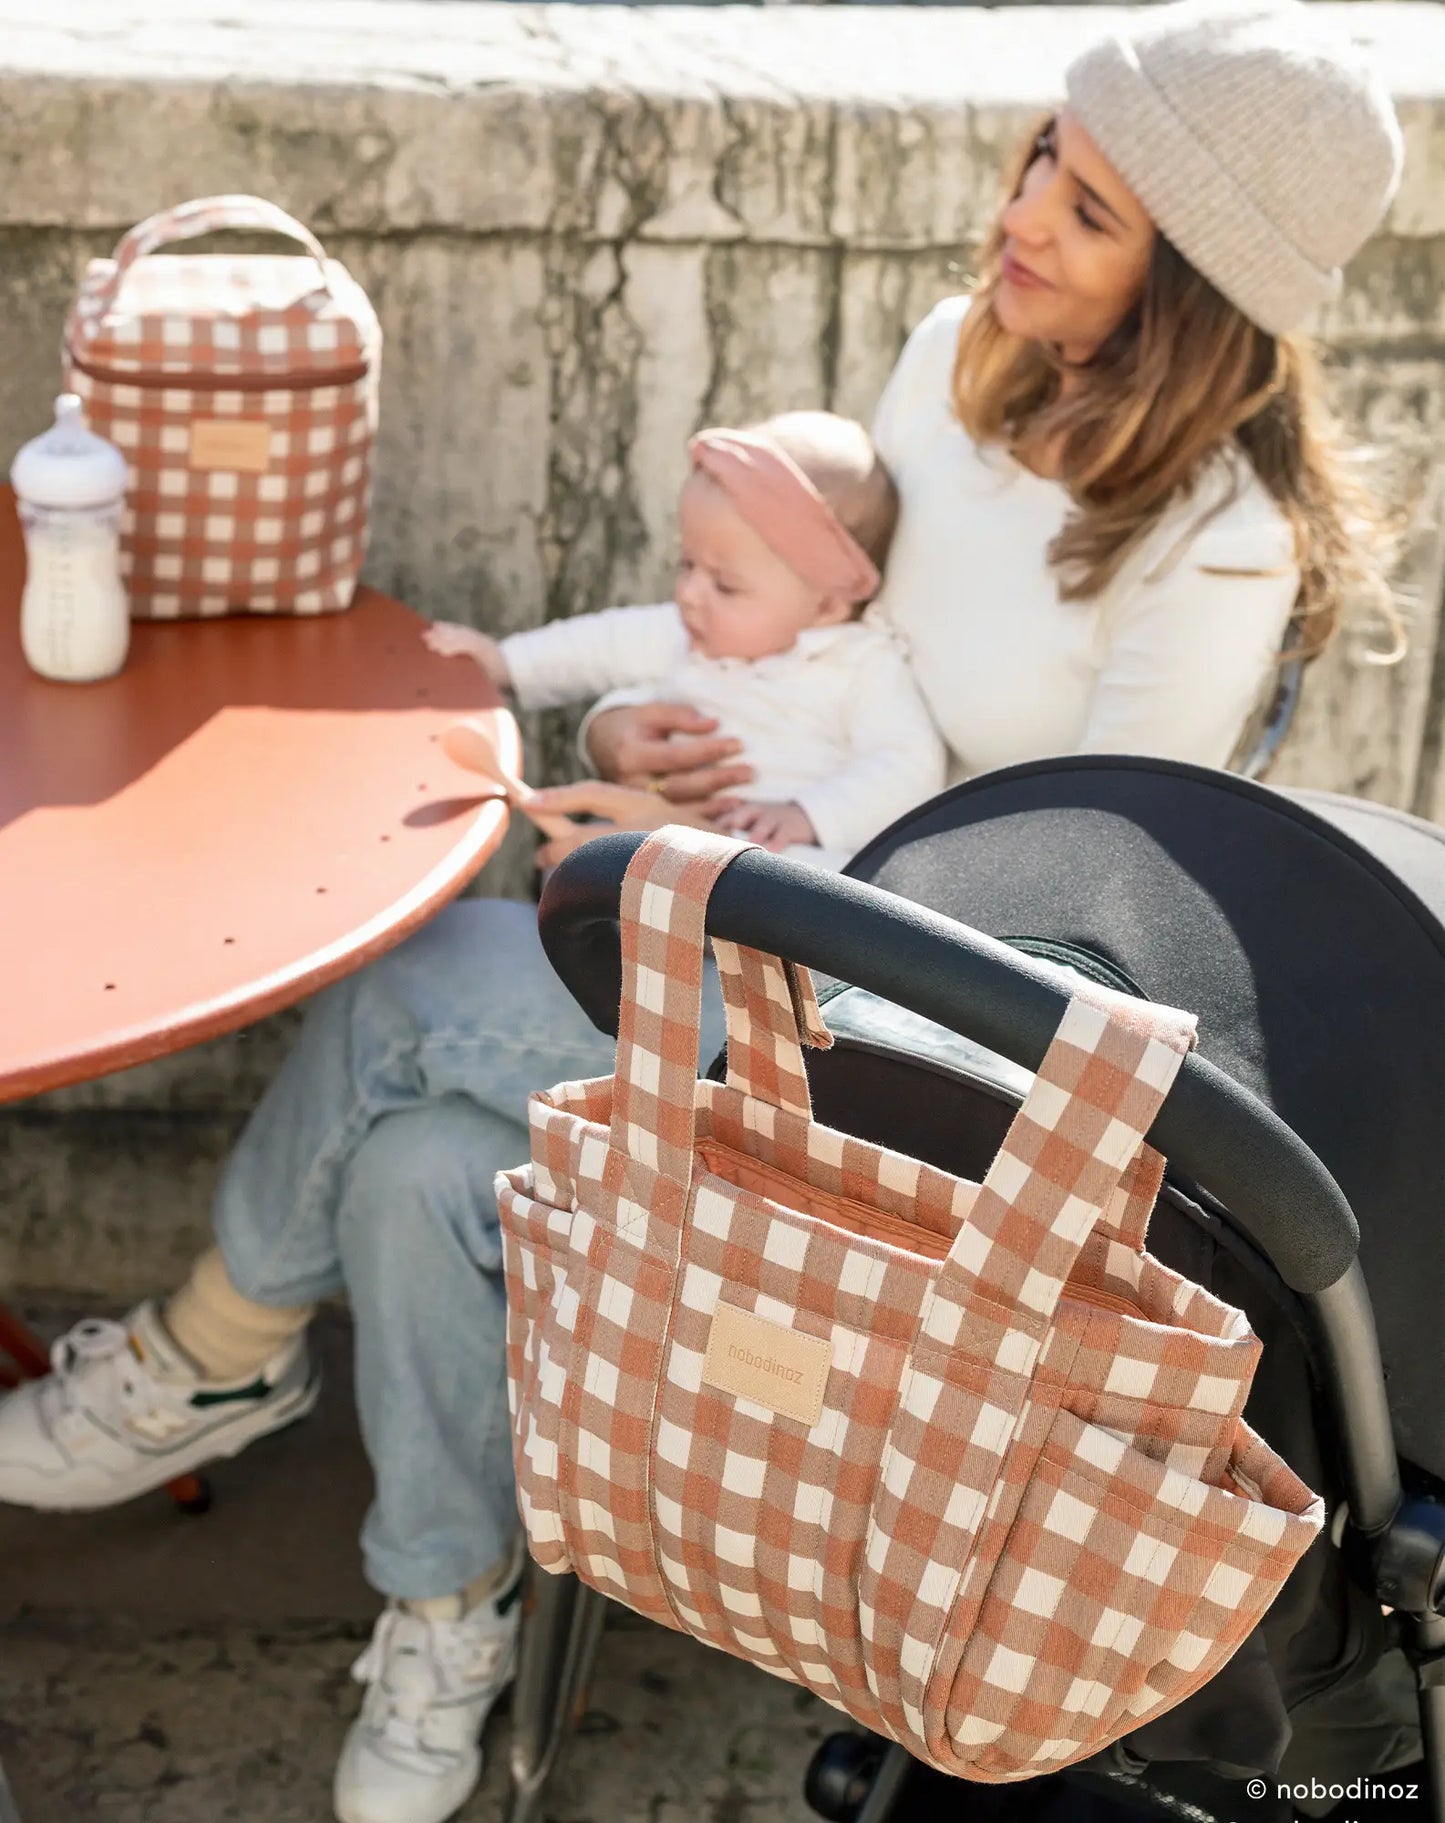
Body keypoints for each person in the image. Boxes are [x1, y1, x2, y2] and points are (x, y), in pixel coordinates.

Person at [0, 7, 1403, 1823]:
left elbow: (1084, 881)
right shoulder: (952, 362)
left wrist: (760, 866)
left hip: (938, 1043)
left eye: (1097, 206)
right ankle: (446, 1600)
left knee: (412, 986)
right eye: (1050, 152)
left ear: (1192, 292)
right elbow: (809, 666)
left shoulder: (1215, 547)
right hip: (811, 923)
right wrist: (641, 751)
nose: (1026, 210)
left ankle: (200, 1362)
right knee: (416, 1172)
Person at [425, 411, 944, 867]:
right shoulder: (693, 631)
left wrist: (811, 814)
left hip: (780, 891)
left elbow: (907, 765)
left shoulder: (859, 665)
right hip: (664, 864)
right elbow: (601, 644)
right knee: (583, 861)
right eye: (687, 563)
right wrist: (506, 663)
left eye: (725, 584)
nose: (690, 594)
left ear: (828, 605)